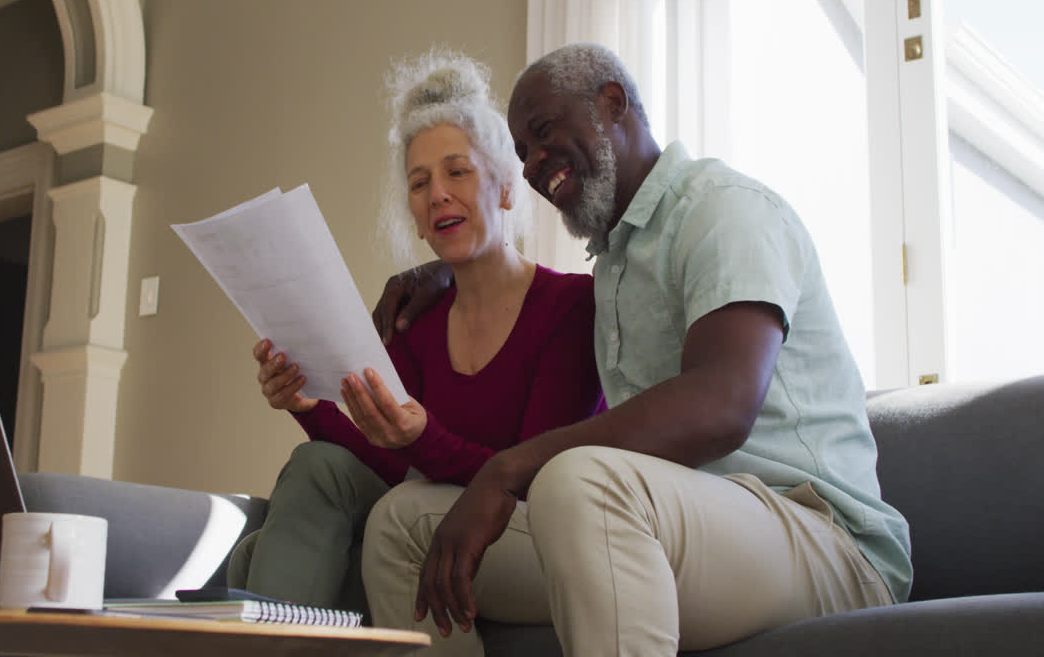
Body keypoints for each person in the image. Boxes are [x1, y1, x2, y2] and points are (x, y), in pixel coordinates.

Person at [361, 42, 912, 656]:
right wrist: (440, 274)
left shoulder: (723, 210)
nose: (537, 165)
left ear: (612, 104)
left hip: (819, 541)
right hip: (669, 532)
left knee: (579, 480)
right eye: (523, 153)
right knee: (401, 525)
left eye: (544, 133)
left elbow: (721, 405)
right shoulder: (614, 265)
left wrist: (509, 466)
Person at [226, 50, 603, 620]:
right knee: (306, 475)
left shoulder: (568, 307)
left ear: (504, 187)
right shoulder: (415, 320)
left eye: (458, 171)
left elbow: (531, 482)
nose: (437, 195)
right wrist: (308, 407)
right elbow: (388, 462)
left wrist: (422, 438)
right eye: (419, 182)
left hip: (515, 529)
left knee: (268, 556)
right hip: (413, 516)